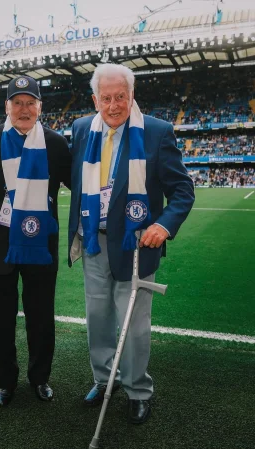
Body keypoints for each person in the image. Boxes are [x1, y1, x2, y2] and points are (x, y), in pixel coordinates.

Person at [68, 64, 194, 424]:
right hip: (94, 240)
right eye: (105, 98)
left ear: (131, 95)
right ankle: (105, 379)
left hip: (137, 244)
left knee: (134, 325)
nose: (113, 105)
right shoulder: (80, 129)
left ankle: (138, 390)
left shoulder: (156, 132)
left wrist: (163, 225)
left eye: (120, 96)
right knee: (98, 318)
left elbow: (183, 192)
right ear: (95, 99)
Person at [0, 75, 71, 406]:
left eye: (30, 103)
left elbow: (76, 184)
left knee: (41, 317)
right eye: (17, 102)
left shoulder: (55, 143)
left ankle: (40, 378)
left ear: (40, 107)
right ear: (7, 106)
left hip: (40, 245)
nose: (24, 109)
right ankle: (6, 381)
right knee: (0, 319)